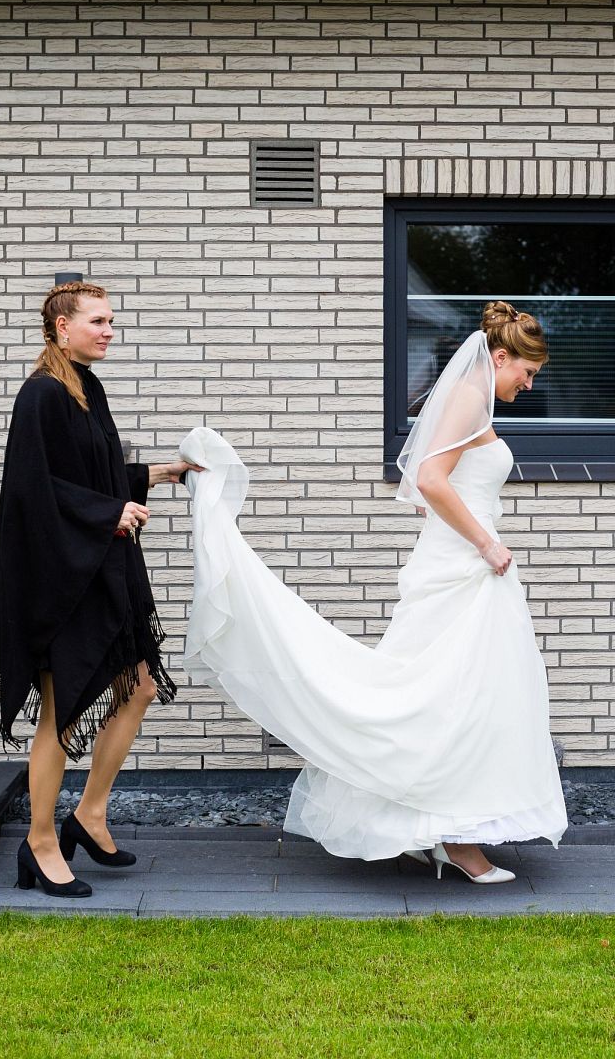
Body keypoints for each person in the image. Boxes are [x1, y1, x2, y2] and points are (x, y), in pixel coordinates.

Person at [177, 301, 567, 883]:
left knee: (462, 696)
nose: (529, 384)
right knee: (448, 695)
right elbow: (430, 481)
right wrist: (486, 543)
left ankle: (436, 828)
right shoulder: (467, 396)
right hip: (466, 565)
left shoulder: (474, 400)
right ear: (500, 356)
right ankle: (455, 839)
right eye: (526, 372)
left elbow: (433, 485)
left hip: (466, 567)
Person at [0, 280, 201, 898]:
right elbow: (31, 490)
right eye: (98, 321)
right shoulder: (40, 396)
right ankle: (40, 842)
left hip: (96, 570)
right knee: (62, 709)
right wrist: (108, 516)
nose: (109, 330)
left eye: (110, 320)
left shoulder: (85, 388)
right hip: (58, 583)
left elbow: (96, 475)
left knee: (141, 684)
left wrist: (162, 473)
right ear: (60, 327)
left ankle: (89, 814)